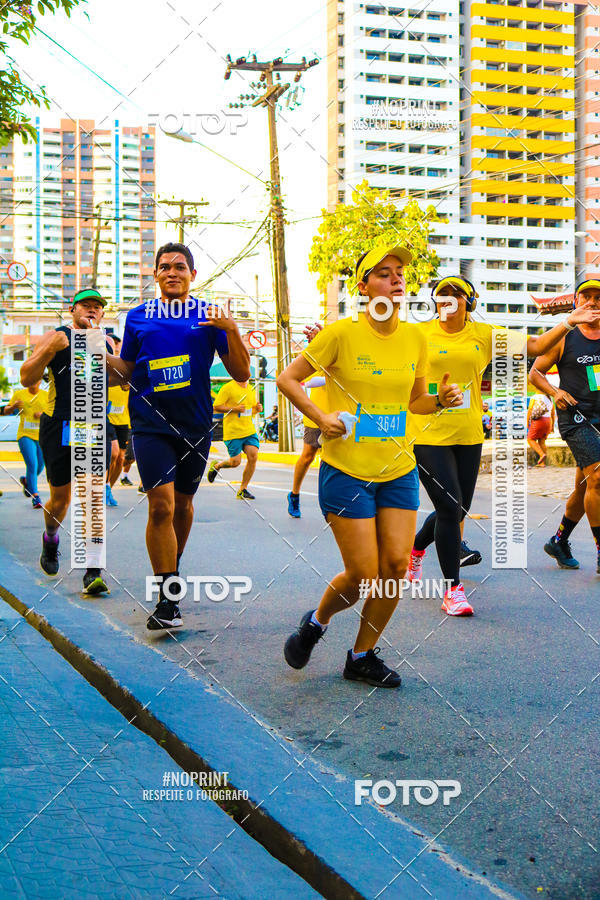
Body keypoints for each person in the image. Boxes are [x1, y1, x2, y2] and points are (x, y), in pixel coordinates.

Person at [278, 244, 464, 688]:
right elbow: (289, 378)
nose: (396, 279)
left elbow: (414, 401)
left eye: (400, 272)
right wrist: (320, 417)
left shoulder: (416, 338)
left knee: (396, 566)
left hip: (397, 469)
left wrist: (440, 399)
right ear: (364, 288)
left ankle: (361, 655)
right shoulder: (341, 334)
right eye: (383, 273)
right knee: (364, 574)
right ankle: (317, 622)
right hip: (346, 469)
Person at [407, 275, 600, 612]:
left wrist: (567, 320)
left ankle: (416, 549)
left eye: (457, 294)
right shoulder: (417, 335)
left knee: (453, 509)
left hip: (467, 434)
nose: (449, 300)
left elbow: (537, 347)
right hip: (427, 433)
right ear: (434, 302)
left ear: (470, 303)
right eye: (442, 295)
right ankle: (452, 591)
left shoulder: (484, 334)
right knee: (451, 508)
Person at [106, 242, 251, 629]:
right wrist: (98, 356)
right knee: (162, 506)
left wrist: (232, 330)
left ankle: (171, 567)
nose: (172, 272)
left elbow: (241, 374)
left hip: (196, 426)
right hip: (150, 425)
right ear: (155, 275)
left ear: (192, 275)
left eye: (180, 267)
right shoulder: (137, 318)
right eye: (165, 267)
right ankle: (168, 597)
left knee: (183, 506)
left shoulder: (209, 318)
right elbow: (124, 371)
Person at [20, 288, 113, 594]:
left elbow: (112, 384)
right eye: (86, 305)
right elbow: (25, 376)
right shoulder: (57, 336)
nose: (92, 310)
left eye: (97, 307)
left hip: (92, 423)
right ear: (72, 309)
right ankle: (50, 538)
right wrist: (49, 352)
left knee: (92, 496)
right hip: (58, 423)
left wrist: (110, 432)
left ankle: (93, 570)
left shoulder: (105, 340)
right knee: (61, 500)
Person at [529, 278, 600, 573]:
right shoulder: (565, 337)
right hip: (577, 417)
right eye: (587, 296)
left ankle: (559, 540)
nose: (593, 302)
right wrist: (555, 392)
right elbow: (536, 372)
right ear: (576, 301)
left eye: (599, 297)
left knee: (585, 485)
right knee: (597, 479)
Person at [207, 379, 262, 499]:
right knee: (235, 462)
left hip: (248, 430)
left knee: (253, 456)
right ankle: (217, 466)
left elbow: (250, 410)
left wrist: (257, 409)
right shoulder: (228, 387)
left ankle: (243, 489)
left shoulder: (251, 388)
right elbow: (216, 407)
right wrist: (234, 409)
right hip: (233, 431)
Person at [287, 359, 327, 518]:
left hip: (340, 416)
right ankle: (294, 495)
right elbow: (309, 382)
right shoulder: (319, 356)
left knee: (332, 460)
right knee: (308, 456)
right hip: (316, 416)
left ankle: (331, 502)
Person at [3, 380, 48, 508]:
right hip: (25, 435)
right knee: (32, 464)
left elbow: (53, 413)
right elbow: (5, 410)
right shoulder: (19, 394)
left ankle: (28, 481)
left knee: (40, 465)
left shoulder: (46, 395)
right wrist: (13, 407)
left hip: (41, 436)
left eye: (36, 379)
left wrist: (42, 415)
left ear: (40, 381)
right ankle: (35, 496)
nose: (32, 382)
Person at [105, 335, 130, 507]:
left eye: (118, 345)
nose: (117, 348)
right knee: (112, 453)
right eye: (114, 346)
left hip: (124, 420)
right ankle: (103, 487)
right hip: (106, 417)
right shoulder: (106, 367)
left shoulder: (126, 366)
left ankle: (108, 488)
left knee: (120, 458)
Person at [527, 392, 554, 467]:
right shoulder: (550, 398)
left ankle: (542, 455)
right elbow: (553, 413)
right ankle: (542, 463)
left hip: (539, 420)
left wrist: (527, 422)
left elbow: (530, 409)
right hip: (548, 421)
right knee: (542, 441)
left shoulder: (535, 397)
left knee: (530, 439)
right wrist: (552, 425)